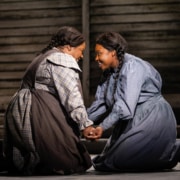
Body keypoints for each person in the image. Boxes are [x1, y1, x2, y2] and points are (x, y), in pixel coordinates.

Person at [2, 26, 95, 175]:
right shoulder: (61, 58)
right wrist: (85, 124)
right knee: (68, 160)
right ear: (69, 47)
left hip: (21, 108)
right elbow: (71, 95)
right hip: (38, 111)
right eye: (81, 51)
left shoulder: (44, 55)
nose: (81, 56)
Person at [86, 31, 180, 172]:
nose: (96, 58)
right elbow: (102, 103)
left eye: (99, 53)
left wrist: (102, 127)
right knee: (107, 160)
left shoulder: (132, 67)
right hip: (132, 119)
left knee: (120, 160)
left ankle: (171, 149)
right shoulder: (109, 72)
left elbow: (125, 105)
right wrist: (83, 123)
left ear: (112, 53)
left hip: (152, 116)